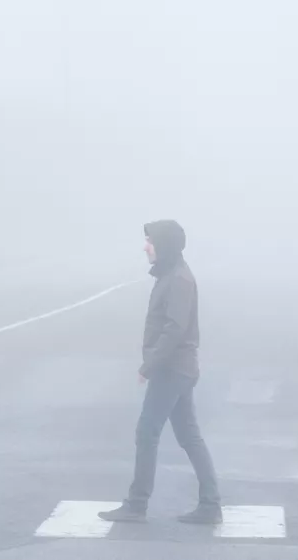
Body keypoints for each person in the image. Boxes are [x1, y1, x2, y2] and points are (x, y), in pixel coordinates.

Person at [99, 220, 222, 524]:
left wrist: (149, 365)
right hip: (178, 369)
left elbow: (174, 329)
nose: (145, 246)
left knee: (147, 432)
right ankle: (210, 504)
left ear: (164, 244)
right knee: (189, 436)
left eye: (149, 240)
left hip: (172, 370)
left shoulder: (178, 279)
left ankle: (137, 504)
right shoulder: (171, 275)